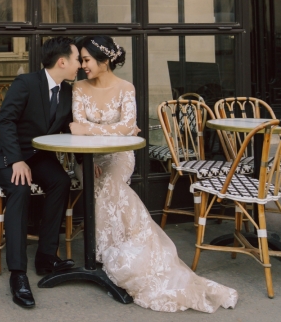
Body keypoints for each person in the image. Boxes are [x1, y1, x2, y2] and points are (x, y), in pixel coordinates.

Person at [70, 36, 237, 313]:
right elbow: (85, 124)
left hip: (119, 156)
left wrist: (90, 129)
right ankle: (112, 250)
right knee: (101, 184)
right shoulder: (78, 88)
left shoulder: (126, 88)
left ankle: (125, 254)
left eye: (86, 60)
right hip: (88, 158)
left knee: (110, 183)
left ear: (105, 59)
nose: (82, 65)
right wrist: (101, 131)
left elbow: (125, 127)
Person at [0, 36, 80, 309]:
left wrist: (86, 161)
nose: (80, 66)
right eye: (77, 60)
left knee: (61, 182)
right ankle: (18, 274)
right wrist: (16, 160)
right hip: (9, 156)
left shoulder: (67, 91)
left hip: (40, 156)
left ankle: (46, 257)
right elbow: (6, 120)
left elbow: (67, 130)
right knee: (20, 189)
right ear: (62, 62)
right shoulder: (26, 83)